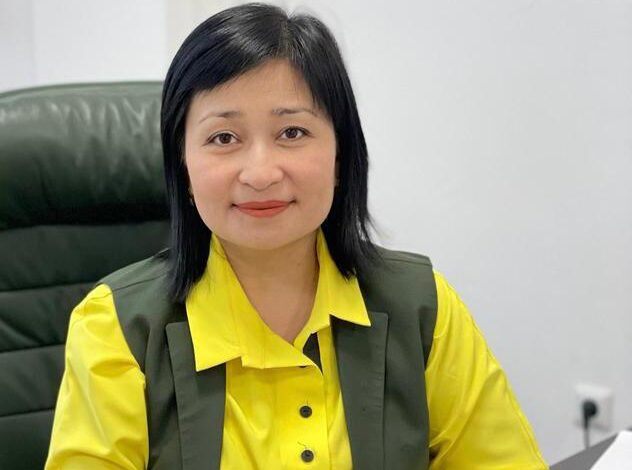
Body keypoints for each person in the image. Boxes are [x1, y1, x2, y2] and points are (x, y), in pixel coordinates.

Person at [45, 3, 548, 469]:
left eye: (292, 133)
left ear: (340, 155)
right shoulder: (116, 327)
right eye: (224, 137)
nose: (260, 173)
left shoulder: (423, 307)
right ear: (184, 167)